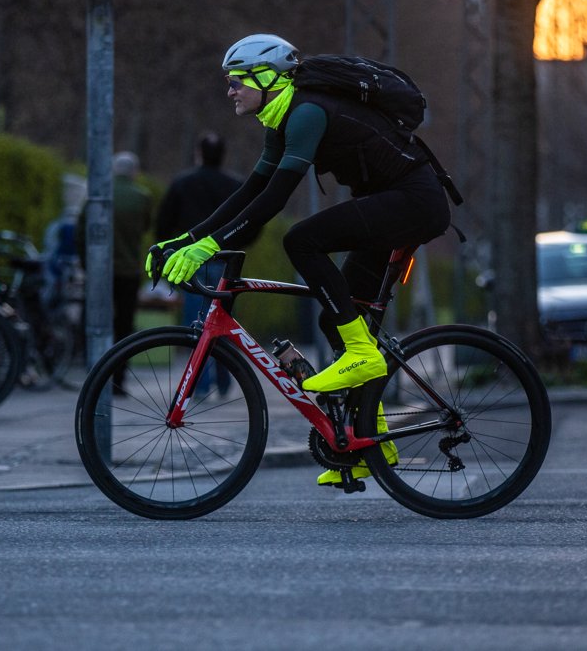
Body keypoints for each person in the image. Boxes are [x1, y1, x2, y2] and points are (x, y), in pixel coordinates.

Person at [146, 34, 451, 486]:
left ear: (266, 79)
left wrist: (209, 247)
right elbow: (248, 192)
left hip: (413, 203)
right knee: (338, 321)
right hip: (392, 202)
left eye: (236, 82)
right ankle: (374, 445)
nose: (230, 91)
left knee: (301, 240)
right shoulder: (282, 119)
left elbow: (272, 202)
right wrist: (184, 239)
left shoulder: (306, 113)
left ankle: (364, 354)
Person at [154, 133, 246, 395]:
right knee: (223, 320)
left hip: (191, 261)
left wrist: (169, 250)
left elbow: (164, 222)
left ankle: (199, 384)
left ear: (198, 153)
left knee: (196, 323)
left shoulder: (183, 183)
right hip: (226, 260)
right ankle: (226, 380)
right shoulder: (234, 185)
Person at [79, 151, 152, 393]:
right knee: (123, 325)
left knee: (96, 322)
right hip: (128, 270)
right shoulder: (142, 198)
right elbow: (145, 227)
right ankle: (119, 379)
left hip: (100, 271)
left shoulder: (97, 197)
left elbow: (81, 230)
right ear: (134, 172)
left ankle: (94, 377)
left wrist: (85, 263)